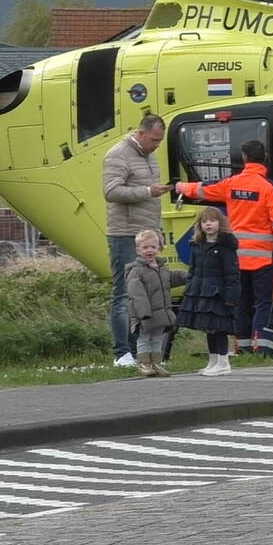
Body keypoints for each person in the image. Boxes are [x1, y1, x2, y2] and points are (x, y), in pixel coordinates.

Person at [176, 140, 273, 357]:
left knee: (242, 303)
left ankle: (243, 347)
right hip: (262, 259)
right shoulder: (268, 188)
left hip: (237, 258)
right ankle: (262, 350)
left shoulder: (232, 184)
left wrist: (181, 187)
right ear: (264, 157)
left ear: (244, 157)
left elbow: (203, 191)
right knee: (263, 303)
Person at [102, 114, 172, 368]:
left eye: (160, 140)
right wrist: (146, 191)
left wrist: (157, 230)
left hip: (146, 233)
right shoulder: (117, 154)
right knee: (124, 294)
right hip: (124, 234)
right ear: (141, 134)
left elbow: (153, 199)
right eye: (154, 139)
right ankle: (122, 353)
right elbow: (110, 191)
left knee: (146, 293)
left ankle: (140, 352)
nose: (157, 145)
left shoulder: (148, 156)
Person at [177, 207, 240, 377]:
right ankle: (213, 361)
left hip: (219, 293)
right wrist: (190, 288)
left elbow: (232, 273)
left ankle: (223, 362)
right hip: (201, 291)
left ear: (220, 222)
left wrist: (231, 296)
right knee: (208, 327)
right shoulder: (197, 245)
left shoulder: (226, 246)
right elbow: (192, 270)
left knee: (219, 328)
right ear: (200, 225)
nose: (208, 224)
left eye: (212, 220)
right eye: (204, 221)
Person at [125, 229, 187, 378]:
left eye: (153, 247)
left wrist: (187, 276)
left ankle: (156, 363)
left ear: (159, 248)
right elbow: (136, 293)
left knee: (157, 339)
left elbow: (170, 279)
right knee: (144, 339)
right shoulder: (136, 271)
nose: (150, 250)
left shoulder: (161, 268)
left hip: (161, 313)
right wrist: (144, 313)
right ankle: (145, 364)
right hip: (144, 314)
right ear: (138, 250)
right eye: (145, 247)